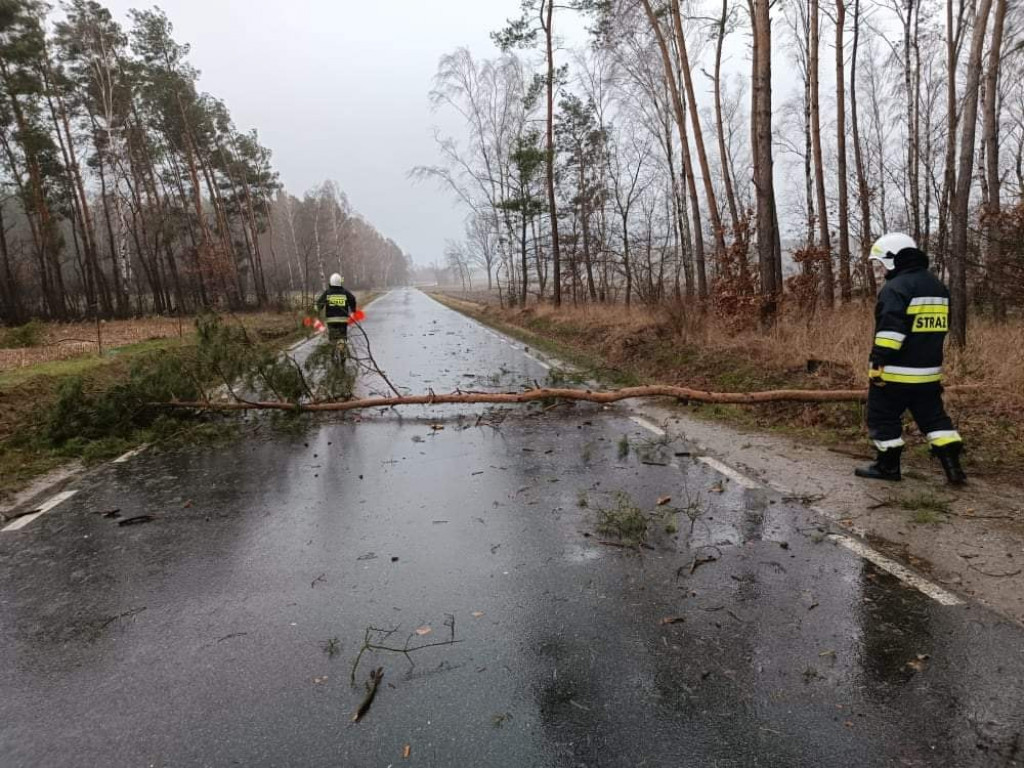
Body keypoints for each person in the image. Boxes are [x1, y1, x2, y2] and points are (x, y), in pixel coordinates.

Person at [855, 233, 966, 485]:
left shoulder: (895, 288)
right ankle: (954, 469)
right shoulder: (937, 287)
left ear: (893, 258)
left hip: (895, 373)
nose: (882, 270)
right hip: (928, 373)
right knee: (934, 419)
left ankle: (887, 467)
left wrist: (877, 363)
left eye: (881, 264)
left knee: (882, 417)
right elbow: (940, 328)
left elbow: (890, 334)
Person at [315, 273, 358, 347]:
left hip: (331, 320)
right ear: (340, 282)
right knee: (342, 336)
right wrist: (353, 310)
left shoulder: (328, 293)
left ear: (331, 282)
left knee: (333, 338)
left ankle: (333, 349)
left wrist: (316, 310)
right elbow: (352, 299)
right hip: (343, 320)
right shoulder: (344, 292)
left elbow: (319, 304)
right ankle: (342, 348)